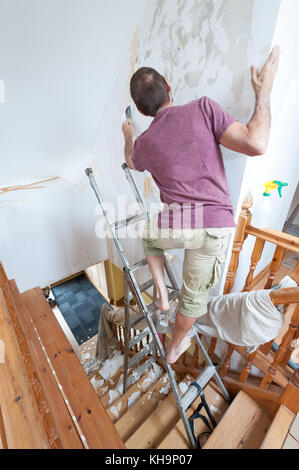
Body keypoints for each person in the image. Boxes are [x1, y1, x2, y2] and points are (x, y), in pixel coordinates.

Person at [122, 46, 280, 364]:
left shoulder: (145, 143)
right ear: (169, 85)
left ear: (140, 111)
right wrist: (264, 93)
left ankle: (161, 292)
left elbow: (129, 159)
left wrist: (129, 135)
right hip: (215, 225)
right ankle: (176, 347)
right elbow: (256, 143)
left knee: (149, 235)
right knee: (194, 299)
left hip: (181, 225)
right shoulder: (203, 108)